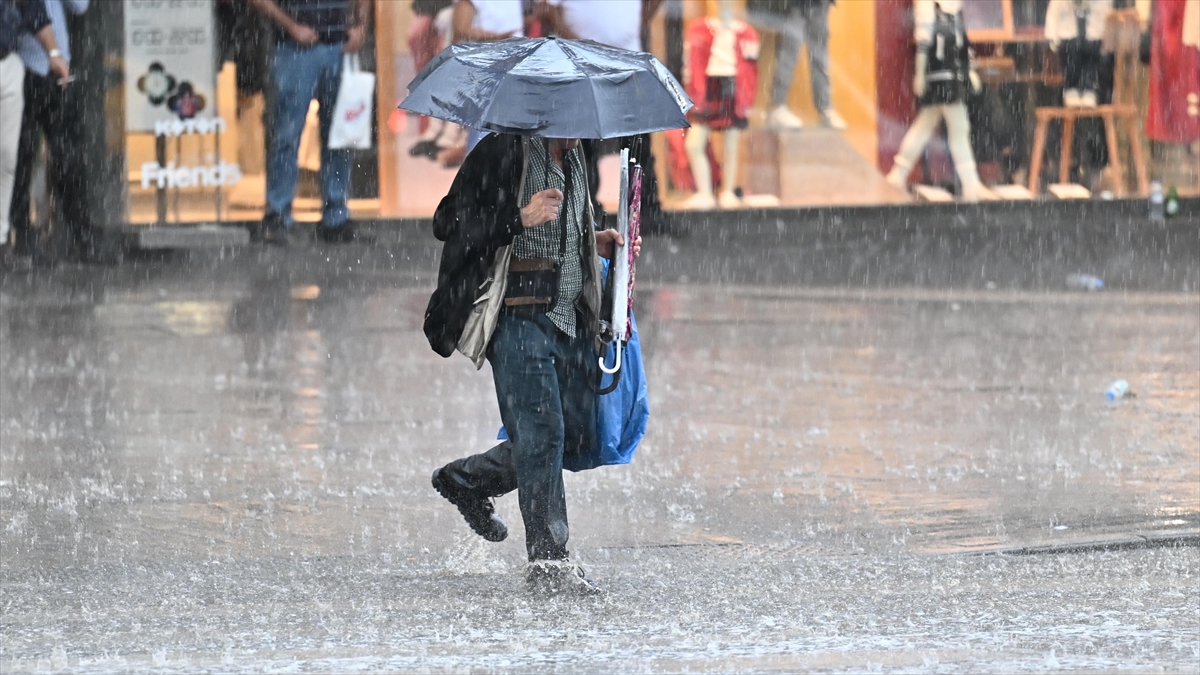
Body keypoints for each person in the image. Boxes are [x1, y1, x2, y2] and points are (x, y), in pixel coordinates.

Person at [425, 132, 639, 595]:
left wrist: (595, 240)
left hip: (571, 318)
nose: (580, 126)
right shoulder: (504, 151)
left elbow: (568, 230)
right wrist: (517, 218)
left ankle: (465, 479)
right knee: (542, 437)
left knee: (574, 436)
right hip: (518, 319)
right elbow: (448, 221)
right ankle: (550, 564)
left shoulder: (578, 154)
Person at [540, 0, 670, 229]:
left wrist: (631, 26)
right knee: (581, 145)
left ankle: (644, 211)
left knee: (637, 144)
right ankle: (585, 212)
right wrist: (580, 45)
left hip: (626, 61)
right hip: (581, 66)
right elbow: (547, 10)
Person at [248, 0, 369, 244]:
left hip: (334, 45)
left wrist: (360, 26)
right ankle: (280, 215)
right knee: (287, 136)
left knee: (339, 135)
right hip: (295, 47)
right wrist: (292, 27)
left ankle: (333, 217)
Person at [10, 0, 89, 263]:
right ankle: (22, 235)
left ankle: (80, 233)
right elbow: (27, 13)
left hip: (57, 69)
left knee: (68, 154)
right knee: (20, 157)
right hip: (25, 63)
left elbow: (80, 6)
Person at [1, 0, 69, 263]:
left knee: (8, 158)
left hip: (8, 60)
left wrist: (53, 53)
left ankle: (2, 240)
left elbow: (33, 9)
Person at [746, 0, 846, 130]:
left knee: (819, 56)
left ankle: (825, 108)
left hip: (819, 4)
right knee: (788, 53)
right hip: (793, 5)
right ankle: (777, 106)